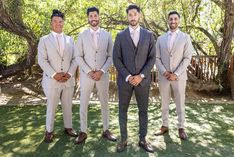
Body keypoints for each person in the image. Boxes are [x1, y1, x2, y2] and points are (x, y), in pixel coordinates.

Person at [113, 4, 156, 153]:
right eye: (130, 15)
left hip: (143, 82)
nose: (132, 17)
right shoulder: (120, 36)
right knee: (122, 110)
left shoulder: (149, 35)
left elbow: (152, 59)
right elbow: (116, 59)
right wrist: (129, 76)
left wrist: (141, 76)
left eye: (134, 14)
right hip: (125, 81)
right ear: (127, 17)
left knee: (143, 111)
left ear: (139, 16)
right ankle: (123, 139)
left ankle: (143, 139)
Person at [75, 6, 116, 144]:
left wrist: (101, 71)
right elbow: (78, 56)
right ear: (88, 18)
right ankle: (83, 131)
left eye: (95, 15)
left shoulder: (107, 35)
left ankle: (106, 130)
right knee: (83, 104)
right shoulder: (81, 35)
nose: (93, 18)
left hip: (102, 76)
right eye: (91, 16)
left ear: (99, 17)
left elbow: (111, 56)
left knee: (104, 103)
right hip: (86, 76)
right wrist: (88, 71)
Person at [38, 9, 77, 143]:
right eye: (55, 21)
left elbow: (75, 59)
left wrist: (70, 74)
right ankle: (49, 131)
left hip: (68, 80)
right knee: (51, 107)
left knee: (68, 105)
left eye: (60, 21)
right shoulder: (44, 40)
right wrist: (54, 74)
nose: (58, 23)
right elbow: (42, 60)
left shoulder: (70, 40)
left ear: (63, 23)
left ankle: (68, 127)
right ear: (51, 23)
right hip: (51, 81)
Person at [155, 11, 194, 140]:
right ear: (168, 21)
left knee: (180, 103)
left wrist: (176, 73)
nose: (173, 21)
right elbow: (157, 58)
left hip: (179, 77)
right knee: (164, 103)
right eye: (171, 19)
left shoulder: (185, 37)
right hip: (164, 77)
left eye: (175, 19)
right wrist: (164, 72)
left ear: (179, 20)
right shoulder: (160, 39)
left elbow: (187, 58)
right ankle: (165, 126)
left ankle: (181, 127)